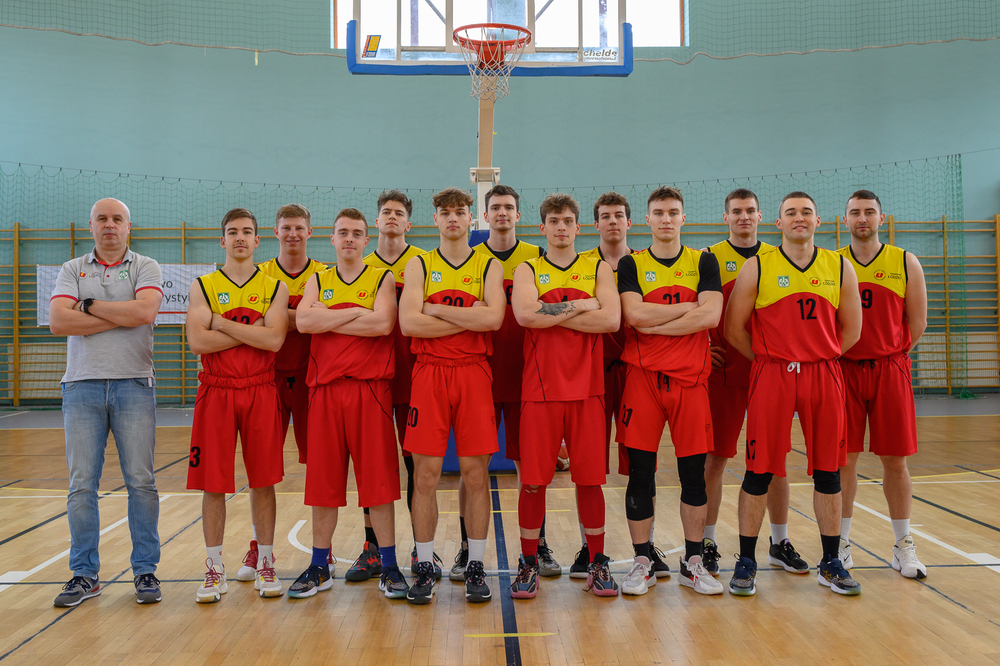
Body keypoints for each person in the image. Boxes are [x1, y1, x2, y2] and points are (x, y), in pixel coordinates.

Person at [725, 191, 863, 597]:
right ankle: (747, 559)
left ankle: (831, 562)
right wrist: (771, 359)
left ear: (819, 221)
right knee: (759, 471)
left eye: (806, 212)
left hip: (823, 375)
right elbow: (735, 330)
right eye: (791, 213)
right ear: (778, 223)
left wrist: (817, 356)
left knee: (829, 472)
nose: (799, 218)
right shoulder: (757, 267)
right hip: (773, 374)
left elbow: (851, 331)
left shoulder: (840, 266)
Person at [49, 198, 164, 607]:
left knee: (142, 483)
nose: (109, 225)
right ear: (92, 226)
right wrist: (122, 312)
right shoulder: (70, 269)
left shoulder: (145, 266)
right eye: (102, 218)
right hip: (81, 387)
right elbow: (59, 321)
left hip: (134, 383)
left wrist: (90, 305)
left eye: (117, 219)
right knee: (82, 486)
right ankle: (84, 575)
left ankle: (145, 572)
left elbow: (146, 312)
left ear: (128, 226)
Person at [288, 208, 406, 598]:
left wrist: (334, 315)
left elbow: (383, 324)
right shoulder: (317, 279)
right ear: (332, 239)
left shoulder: (381, 277)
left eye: (357, 233)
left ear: (366, 240)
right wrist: (359, 313)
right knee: (323, 485)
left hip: (370, 392)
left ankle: (389, 566)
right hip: (324, 392)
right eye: (343, 233)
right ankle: (319, 566)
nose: (350, 239)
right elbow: (304, 324)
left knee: (380, 485)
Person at [613, 187, 724, 596]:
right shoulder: (631, 263)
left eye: (672, 212)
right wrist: (687, 310)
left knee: (692, 474)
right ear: (646, 219)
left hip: (690, 382)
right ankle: (643, 560)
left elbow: (711, 314)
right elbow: (634, 314)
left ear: (683, 218)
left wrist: (654, 324)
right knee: (640, 474)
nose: (665, 219)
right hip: (642, 382)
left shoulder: (704, 261)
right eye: (658, 212)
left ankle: (693, 561)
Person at [509, 193, 621, 599]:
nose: (560, 227)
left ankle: (596, 563)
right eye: (553, 221)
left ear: (578, 227)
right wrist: (582, 305)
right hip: (539, 392)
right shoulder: (528, 267)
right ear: (541, 228)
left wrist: (553, 312)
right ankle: (527, 565)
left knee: (590, 482)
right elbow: (525, 316)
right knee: (533, 484)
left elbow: (610, 318)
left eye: (567, 220)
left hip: (588, 391)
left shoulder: (598, 266)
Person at [398, 187, 505, 604]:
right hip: (429, 374)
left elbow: (494, 318)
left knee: (476, 474)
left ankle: (475, 563)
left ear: (470, 218)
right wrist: (468, 318)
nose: (453, 218)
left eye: (461, 212)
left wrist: (436, 309)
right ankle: (425, 565)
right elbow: (409, 324)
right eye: (446, 212)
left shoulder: (488, 265)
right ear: (436, 219)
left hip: (474, 374)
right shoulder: (418, 264)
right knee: (424, 475)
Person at [185, 208, 289, 603]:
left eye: (247, 231)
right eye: (233, 232)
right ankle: (214, 569)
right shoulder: (203, 285)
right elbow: (199, 343)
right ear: (222, 239)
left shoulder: (274, 287)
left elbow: (275, 341)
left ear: (258, 240)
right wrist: (253, 330)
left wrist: (223, 323)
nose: (240, 238)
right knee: (213, 483)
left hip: (261, 389)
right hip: (216, 390)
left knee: (263, 480)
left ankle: (265, 562)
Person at [703, 189, 807, 577]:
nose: (743, 217)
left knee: (775, 461)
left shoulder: (778, 257)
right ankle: (709, 541)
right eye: (736, 212)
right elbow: (700, 308)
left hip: (772, 377)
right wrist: (701, 349)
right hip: (726, 375)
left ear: (762, 216)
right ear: (725, 217)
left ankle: (778, 542)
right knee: (716, 459)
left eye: (750, 211)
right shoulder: (709, 258)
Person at [464, 184, 556, 579]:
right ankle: (468, 548)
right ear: (485, 216)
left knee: (529, 468)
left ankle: (539, 544)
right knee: (474, 467)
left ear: (519, 215)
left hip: (527, 379)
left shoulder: (537, 258)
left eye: (509, 207)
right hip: (480, 377)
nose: (502, 213)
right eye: (496, 207)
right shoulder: (470, 259)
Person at [837, 190, 928, 579]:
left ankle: (903, 544)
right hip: (843, 369)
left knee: (896, 461)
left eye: (869, 212)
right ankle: (839, 542)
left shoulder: (905, 261)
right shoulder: (834, 263)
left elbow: (918, 322)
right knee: (843, 460)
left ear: (882, 217)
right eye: (855, 212)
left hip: (890, 369)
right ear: (845, 220)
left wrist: (890, 353)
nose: (862, 218)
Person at [578, 191, 670, 579]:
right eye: (605, 216)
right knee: (589, 464)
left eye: (619, 216)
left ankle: (646, 547)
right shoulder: (581, 265)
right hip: (591, 373)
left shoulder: (646, 263)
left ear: (631, 223)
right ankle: (589, 547)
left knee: (641, 465)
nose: (612, 222)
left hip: (638, 371)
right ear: (595, 224)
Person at [242, 204, 327, 583]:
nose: (293, 233)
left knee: (321, 468)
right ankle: (260, 547)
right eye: (286, 228)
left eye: (299, 228)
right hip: (268, 379)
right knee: (262, 470)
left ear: (310, 232)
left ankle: (321, 551)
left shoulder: (325, 275)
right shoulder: (258, 275)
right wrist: (305, 318)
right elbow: (264, 324)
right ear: (274, 233)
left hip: (313, 380)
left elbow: (276, 323)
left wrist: (278, 319)